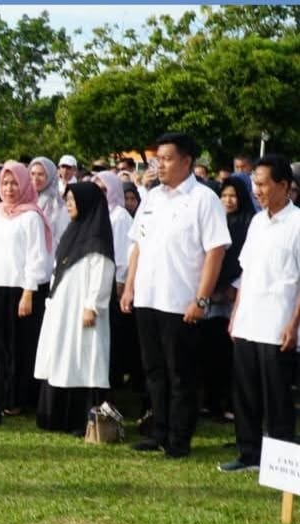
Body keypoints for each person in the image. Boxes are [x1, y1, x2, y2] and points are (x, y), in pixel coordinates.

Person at [121, 132, 230, 458]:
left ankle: (179, 439)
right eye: (158, 159)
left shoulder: (204, 199)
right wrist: (130, 286)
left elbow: (215, 252)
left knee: (181, 373)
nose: (161, 165)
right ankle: (159, 431)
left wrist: (201, 299)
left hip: (180, 301)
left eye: (167, 159)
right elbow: (138, 245)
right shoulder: (152, 198)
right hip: (147, 298)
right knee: (154, 371)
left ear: (186, 161)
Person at [223, 155, 300, 472]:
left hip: (278, 322)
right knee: (245, 392)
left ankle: (280, 462)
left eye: (263, 184)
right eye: (255, 184)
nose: (257, 190)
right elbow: (246, 272)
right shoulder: (257, 222)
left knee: (278, 395)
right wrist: (235, 314)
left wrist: (293, 324)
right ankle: (248, 453)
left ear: (283, 185)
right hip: (248, 320)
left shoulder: (297, 224)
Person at [0, 161, 52, 415]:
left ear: (25, 185)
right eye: (5, 183)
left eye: (15, 183)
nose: (9, 188)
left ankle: (16, 398)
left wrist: (28, 293)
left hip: (20, 291)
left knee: (17, 347)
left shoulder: (31, 217)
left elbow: (37, 257)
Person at [34, 183, 115, 432]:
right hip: (63, 306)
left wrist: (93, 305)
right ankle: (55, 416)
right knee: (61, 355)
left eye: (73, 200)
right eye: (67, 200)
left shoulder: (97, 237)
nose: (68, 205)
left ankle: (81, 419)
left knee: (83, 357)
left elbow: (102, 272)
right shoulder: (73, 231)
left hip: (83, 309)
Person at [197, 175, 256, 420]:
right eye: (224, 196)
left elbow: (248, 262)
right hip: (211, 297)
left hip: (234, 298)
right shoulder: (216, 222)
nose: (228, 201)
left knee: (230, 354)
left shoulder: (250, 224)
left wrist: (232, 286)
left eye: (233, 196)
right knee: (210, 350)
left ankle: (230, 404)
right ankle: (210, 402)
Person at [30, 157, 71, 249]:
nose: (35, 178)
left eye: (40, 174)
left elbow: (62, 237)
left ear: (50, 176)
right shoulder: (24, 200)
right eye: (32, 174)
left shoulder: (58, 205)